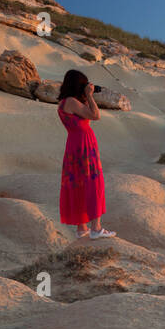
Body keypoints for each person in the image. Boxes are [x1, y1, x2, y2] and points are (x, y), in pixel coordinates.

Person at [57, 69, 114, 239]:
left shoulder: (64, 102)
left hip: (75, 146)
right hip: (83, 147)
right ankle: (96, 228)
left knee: (78, 184)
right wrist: (90, 95)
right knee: (93, 184)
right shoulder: (72, 102)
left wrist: (86, 96)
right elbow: (95, 115)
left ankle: (82, 228)